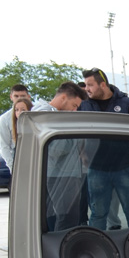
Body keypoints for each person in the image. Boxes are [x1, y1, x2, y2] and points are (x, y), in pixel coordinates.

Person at [78, 68, 129, 230]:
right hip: (97, 169)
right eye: (86, 85)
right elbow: (77, 132)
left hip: (125, 167)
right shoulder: (84, 105)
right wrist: (82, 153)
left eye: (90, 85)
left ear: (102, 85)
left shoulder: (126, 103)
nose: (86, 89)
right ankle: (97, 244)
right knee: (98, 214)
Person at [32, 82, 88, 231]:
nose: (74, 110)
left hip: (64, 172)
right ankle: (62, 245)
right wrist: (72, 132)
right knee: (68, 218)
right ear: (63, 97)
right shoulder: (47, 115)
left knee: (64, 218)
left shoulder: (54, 115)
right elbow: (55, 149)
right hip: (61, 174)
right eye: (74, 105)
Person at [0, 84, 32, 169]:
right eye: (16, 96)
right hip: (17, 158)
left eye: (23, 96)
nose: (19, 98)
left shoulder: (36, 115)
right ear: (11, 97)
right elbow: (4, 146)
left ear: (28, 97)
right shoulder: (5, 119)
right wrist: (13, 167)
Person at [9, 99, 31, 167]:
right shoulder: (16, 128)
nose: (19, 112)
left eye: (23, 110)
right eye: (17, 110)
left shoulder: (33, 128)